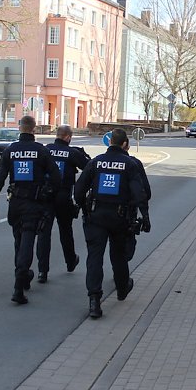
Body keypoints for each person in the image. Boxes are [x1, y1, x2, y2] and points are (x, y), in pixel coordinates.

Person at [0, 116, 62, 305]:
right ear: (34, 129)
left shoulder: (11, 150)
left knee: (19, 240)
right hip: (34, 202)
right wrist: (48, 194)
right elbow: (56, 177)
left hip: (15, 202)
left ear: (20, 128)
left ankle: (23, 275)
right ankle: (19, 284)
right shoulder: (41, 151)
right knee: (28, 239)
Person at [74, 129, 147, 319]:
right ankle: (122, 289)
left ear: (110, 142)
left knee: (94, 258)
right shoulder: (130, 164)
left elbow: (79, 190)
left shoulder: (96, 162)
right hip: (120, 218)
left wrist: (85, 209)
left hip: (96, 217)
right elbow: (141, 194)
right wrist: (143, 215)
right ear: (125, 144)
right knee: (118, 256)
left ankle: (94, 301)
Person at [36, 125, 91, 283]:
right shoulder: (71, 152)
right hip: (63, 196)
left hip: (46, 196)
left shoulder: (45, 150)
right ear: (67, 137)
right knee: (65, 231)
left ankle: (42, 271)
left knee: (44, 233)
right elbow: (89, 167)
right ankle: (70, 261)